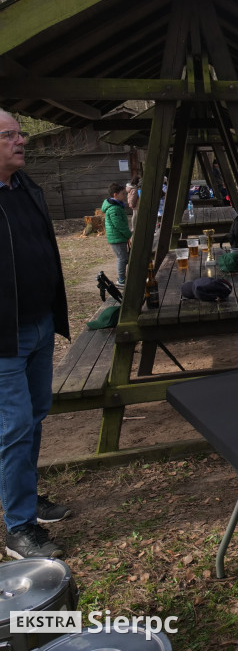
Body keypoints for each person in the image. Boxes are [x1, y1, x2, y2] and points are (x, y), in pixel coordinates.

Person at [0, 110, 72, 559]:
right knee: (15, 427)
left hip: (41, 324)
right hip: (4, 337)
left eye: (20, 132)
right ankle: (19, 527)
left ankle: (27, 496)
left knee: (36, 415)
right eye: (9, 135)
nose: (21, 140)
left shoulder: (27, 188)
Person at [102, 182, 132, 287]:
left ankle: (123, 277)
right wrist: (129, 235)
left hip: (119, 237)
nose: (125, 196)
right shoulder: (114, 208)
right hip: (117, 238)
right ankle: (121, 280)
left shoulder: (117, 206)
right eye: (123, 193)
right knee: (122, 258)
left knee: (125, 257)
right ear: (115, 195)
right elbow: (119, 225)